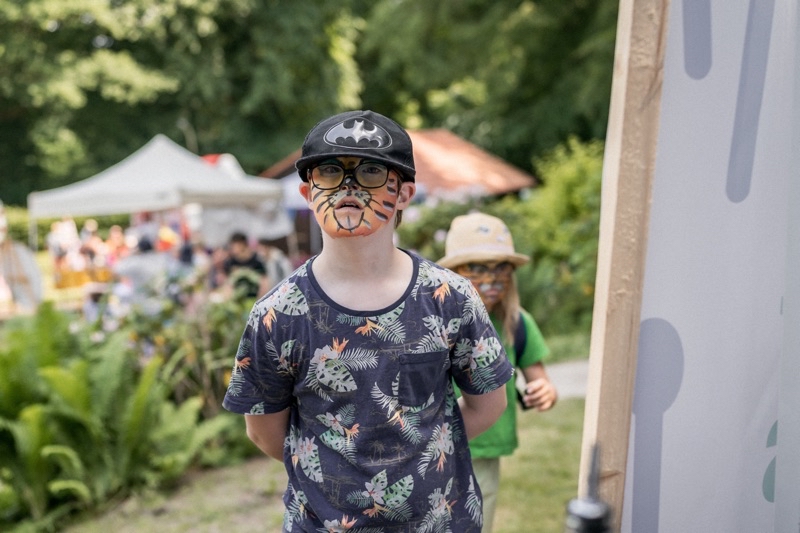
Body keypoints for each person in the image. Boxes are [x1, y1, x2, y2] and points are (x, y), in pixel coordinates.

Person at [223, 110, 513, 532]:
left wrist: (420, 449)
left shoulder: (449, 298)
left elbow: (491, 403)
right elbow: (266, 433)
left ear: (404, 193)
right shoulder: (278, 315)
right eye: (329, 171)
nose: (349, 186)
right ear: (307, 191)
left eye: (372, 172)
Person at [437, 212, 558, 533]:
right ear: (452, 274)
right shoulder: (433, 324)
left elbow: (539, 377)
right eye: (477, 269)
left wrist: (544, 390)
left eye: (501, 268)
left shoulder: (518, 324)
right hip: (436, 450)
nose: (491, 280)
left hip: (485, 451)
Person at [221, 231, 268, 299]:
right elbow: (228, 284)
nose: (232, 248)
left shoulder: (256, 260)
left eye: (234, 245)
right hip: (237, 299)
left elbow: (264, 282)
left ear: (242, 244)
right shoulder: (230, 262)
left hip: (255, 297)